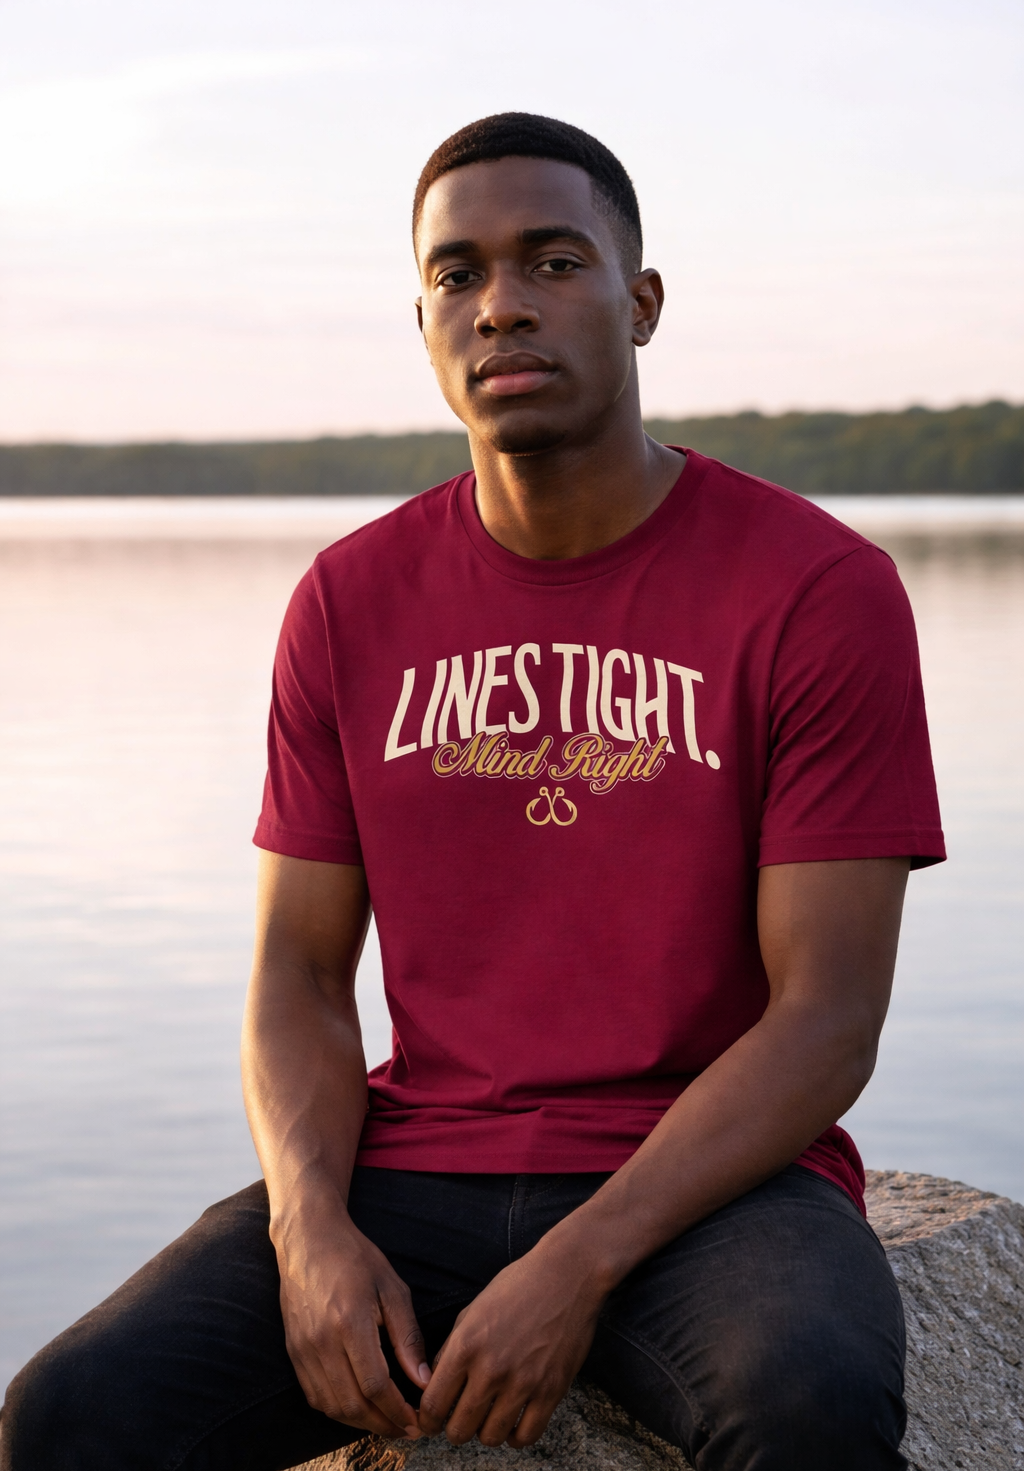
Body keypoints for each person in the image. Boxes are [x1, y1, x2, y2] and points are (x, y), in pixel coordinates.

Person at [1, 113, 945, 1471]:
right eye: (459, 274)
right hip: (416, 1171)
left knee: (805, 1399)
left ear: (643, 301)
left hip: (715, 1190)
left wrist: (580, 1261)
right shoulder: (349, 599)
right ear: (427, 318)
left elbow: (829, 1018)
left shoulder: (815, 590)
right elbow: (297, 976)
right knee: (72, 1411)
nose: (503, 303)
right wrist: (309, 1228)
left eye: (554, 261)